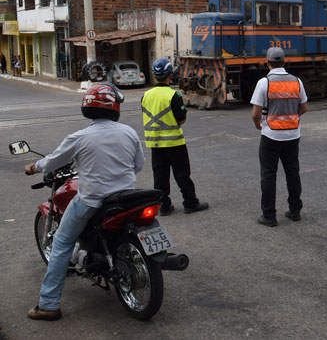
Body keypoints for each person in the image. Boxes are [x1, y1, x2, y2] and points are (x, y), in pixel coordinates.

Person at [26, 83, 145, 321]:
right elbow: (138, 165)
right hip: (127, 198)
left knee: (61, 243)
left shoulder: (79, 138)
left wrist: (33, 167)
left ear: (87, 108)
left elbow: (51, 162)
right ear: (114, 107)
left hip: (92, 201)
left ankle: (48, 305)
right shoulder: (128, 132)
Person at [141, 58, 208, 215]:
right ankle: (190, 203)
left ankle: (163, 206)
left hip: (155, 144)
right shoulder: (173, 95)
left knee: (160, 176)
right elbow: (181, 119)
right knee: (182, 174)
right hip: (174, 143)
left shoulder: (145, 95)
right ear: (170, 75)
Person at [251, 47, 308, 227]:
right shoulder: (297, 81)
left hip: (271, 135)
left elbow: (255, 113)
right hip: (292, 135)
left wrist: (259, 125)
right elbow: (304, 107)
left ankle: (269, 216)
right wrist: (292, 118)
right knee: (292, 172)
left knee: (268, 174)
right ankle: (295, 210)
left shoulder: (264, 83)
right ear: (284, 62)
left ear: (267, 62)